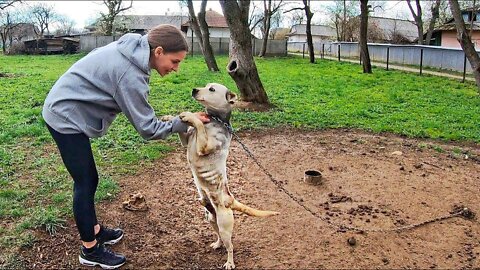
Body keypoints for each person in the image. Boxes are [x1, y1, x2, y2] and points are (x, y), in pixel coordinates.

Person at [42, 24, 209, 269]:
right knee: (85, 182)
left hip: (67, 106)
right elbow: (148, 129)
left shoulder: (131, 48)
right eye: (175, 62)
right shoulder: (129, 74)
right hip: (64, 116)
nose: (176, 69)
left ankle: (95, 230)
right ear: (159, 51)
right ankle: (89, 249)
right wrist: (184, 122)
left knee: (90, 178)